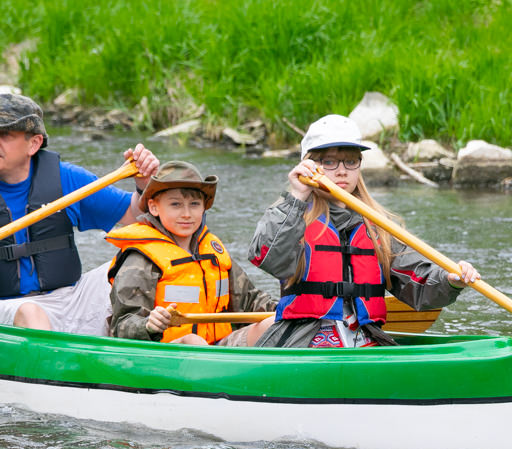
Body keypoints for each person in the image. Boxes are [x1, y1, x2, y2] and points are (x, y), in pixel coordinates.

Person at [0, 93, 160, 335]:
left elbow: (133, 214)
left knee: (133, 266)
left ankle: (151, 342)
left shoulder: (66, 177)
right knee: (31, 311)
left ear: (33, 143)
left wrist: (144, 183)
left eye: (4, 135)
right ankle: (63, 368)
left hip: (68, 298)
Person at [248, 114, 481, 348]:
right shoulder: (292, 218)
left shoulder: (377, 227)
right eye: (329, 161)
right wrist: (298, 195)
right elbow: (266, 257)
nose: (342, 171)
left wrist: (450, 280)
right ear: (310, 164)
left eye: (351, 161)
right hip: (304, 339)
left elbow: (418, 283)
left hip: (365, 339)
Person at [107, 160, 276, 346]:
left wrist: (284, 308)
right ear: (154, 207)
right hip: (166, 352)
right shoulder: (140, 260)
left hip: (219, 347)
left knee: (273, 323)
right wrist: (148, 325)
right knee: (193, 340)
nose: (187, 214)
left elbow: (250, 300)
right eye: (176, 204)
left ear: (204, 207)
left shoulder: (213, 250)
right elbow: (121, 326)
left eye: (194, 204)